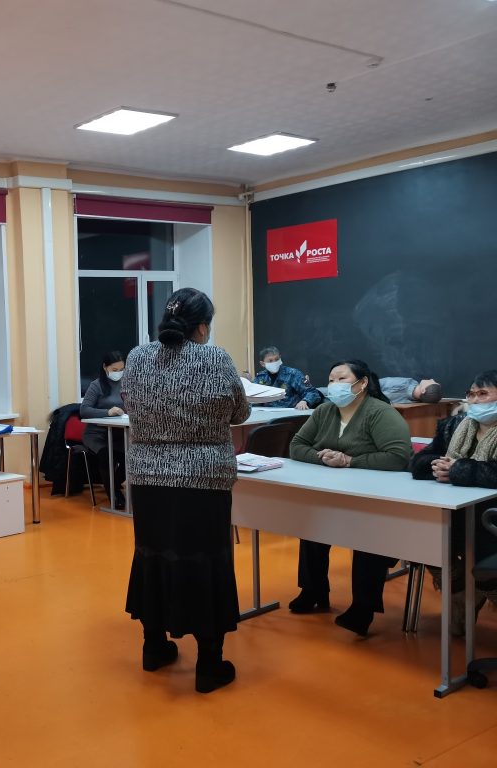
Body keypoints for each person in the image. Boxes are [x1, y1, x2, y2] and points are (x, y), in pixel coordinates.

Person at [122, 287, 250, 694]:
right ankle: (209, 664)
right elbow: (240, 412)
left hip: (148, 476)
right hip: (204, 478)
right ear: (203, 327)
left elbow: (129, 404)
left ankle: (154, 647)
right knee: (206, 562)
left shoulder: (137, 357)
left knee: (153, 556)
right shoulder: (216, 359)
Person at [288, 359, 412, 636]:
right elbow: (296, 445)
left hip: (376, 497)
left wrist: (350, 461)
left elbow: (398, 457)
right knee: (312, 526)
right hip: (333, 490)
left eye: (341, 379)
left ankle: (363, 608)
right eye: (331, 380)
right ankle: (313, 590)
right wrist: (321, 457)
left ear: (362, 382)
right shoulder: (325, 410)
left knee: (368, 535)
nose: (334, 385)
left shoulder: (380, 413)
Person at [410, 370, 497, 621]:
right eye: (471, 394)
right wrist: (437, 466)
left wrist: (457, 470)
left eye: (483, 394)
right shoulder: (454, 425)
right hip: (452, 509)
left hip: (490, 515)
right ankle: (459, 592)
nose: (475, 400)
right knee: (421, 530)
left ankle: (484, 588)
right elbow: (419, 461)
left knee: (481, 537)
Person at [79, 351, 127, 509]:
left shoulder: (126, 383)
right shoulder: (97, 385)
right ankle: (114, 494)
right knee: (106, 455)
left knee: (131, 456)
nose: (118, 373)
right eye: (115, 370)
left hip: (118, 435)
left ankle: (114, 485)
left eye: (122, 369)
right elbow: (84, 410)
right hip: (96, 435)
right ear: (105, 367)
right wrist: (108, 412)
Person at [253, 347, 323, 410]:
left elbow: (312, 392)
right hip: (266, 414)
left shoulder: (293, 374)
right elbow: (252, 397)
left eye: (276, 359)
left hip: (290, 414)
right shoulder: (260, 377)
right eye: (270, 361)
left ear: (280, 358)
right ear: (262, 364)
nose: (274, 362)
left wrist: (305, 401)